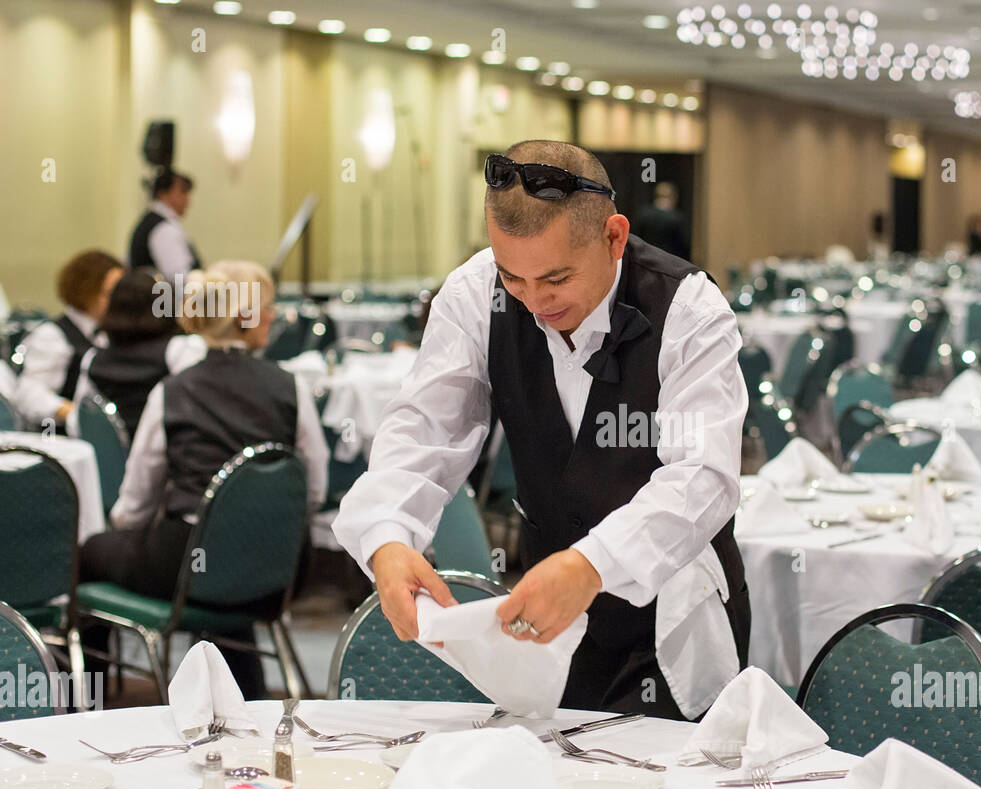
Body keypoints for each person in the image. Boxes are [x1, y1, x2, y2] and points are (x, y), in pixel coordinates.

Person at [334, 140, 749, 720]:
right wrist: (386, 536)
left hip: (672, 617)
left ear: (614, 237)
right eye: (515, 278)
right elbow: (425, 430)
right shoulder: (475, 294)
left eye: (555, 278)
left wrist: (592, 563)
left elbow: (704, 476)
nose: (534, 301)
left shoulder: (689, 308)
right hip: (545, 625)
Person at [79, 260, 328, 697]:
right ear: (245, 318)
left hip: (187, 565)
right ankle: (242, 694)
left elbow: (135, 505)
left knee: (90, 552)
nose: (273, 315)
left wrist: (122, 531)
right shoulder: (292, 388)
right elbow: (313, 488)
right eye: (267, 306)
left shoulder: (172, 392)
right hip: (278, 569)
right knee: (223, 569)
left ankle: (94, 699)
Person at [73, 267, 207, 440]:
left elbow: (79, 420)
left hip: (110, 457)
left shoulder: (93, 358)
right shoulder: (180, 349)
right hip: (165, 453)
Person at [13, 250, 123, 430]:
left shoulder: (106, 333)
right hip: (61, 441)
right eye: (110, 293)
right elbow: (29, 394)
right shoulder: (52, 336)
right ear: (86, 291)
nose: (119, 301)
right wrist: (71, 413)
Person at [127, 169, 202, 283]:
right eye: (183, 192)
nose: (187, 199)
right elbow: (179, 279)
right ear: (163, 194)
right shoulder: (163, 229)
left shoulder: (151, 221)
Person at [632, 182, 691, 261]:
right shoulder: (676, 218)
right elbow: (683, 246)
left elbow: (635, 238)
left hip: (646, 259)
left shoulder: (644, 214)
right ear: (673, 196)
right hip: (669, 261)